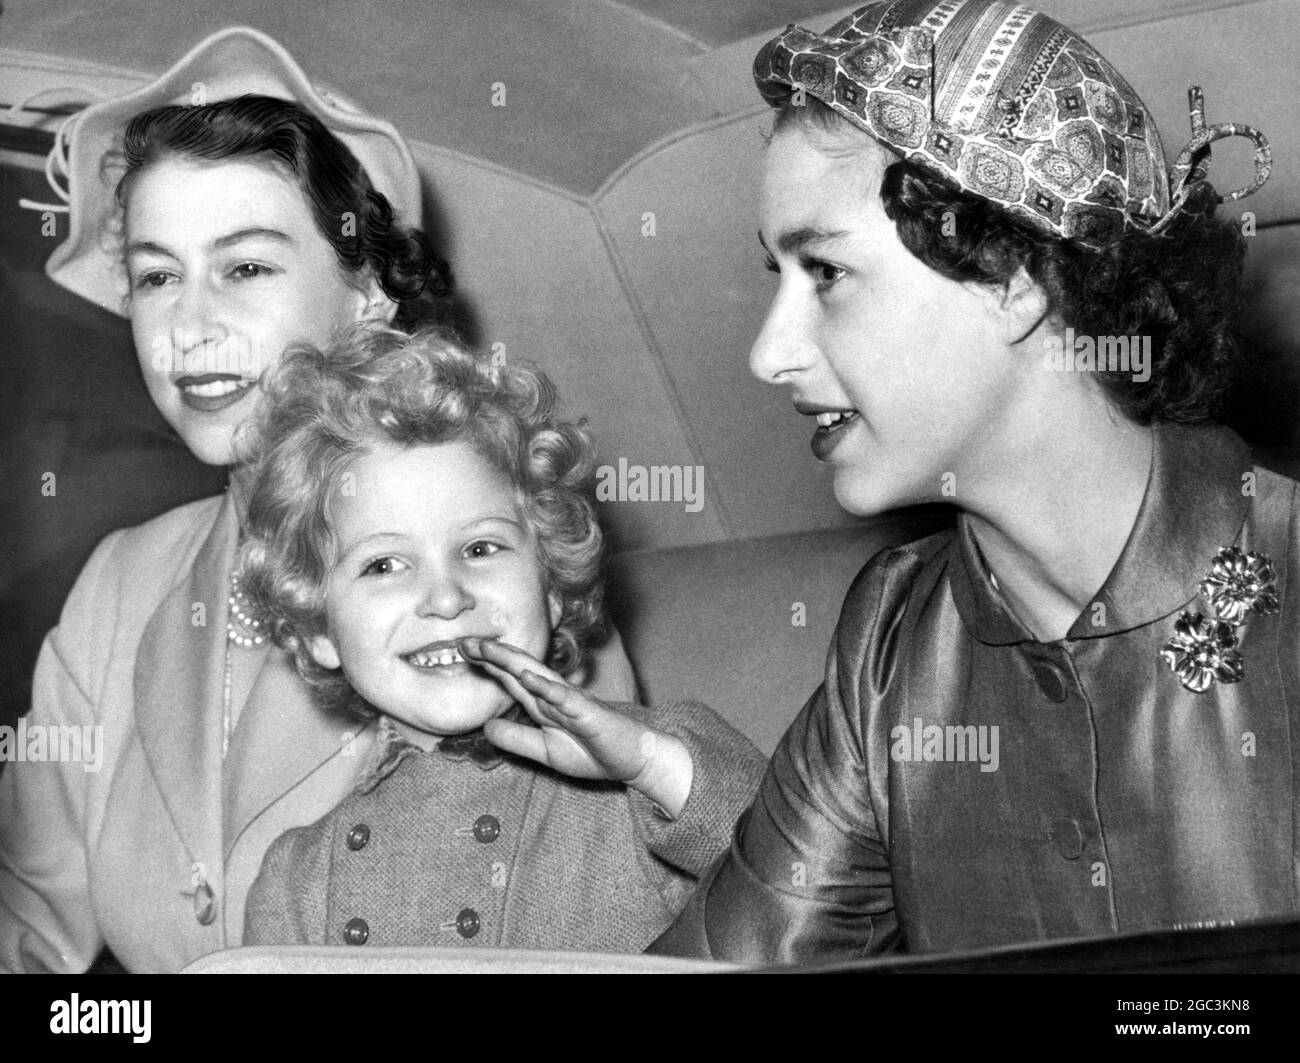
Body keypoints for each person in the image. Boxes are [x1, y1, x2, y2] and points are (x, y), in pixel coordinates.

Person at [651, 0, 1289, 964]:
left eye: (825, 271)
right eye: (777, 275)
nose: (769, 353)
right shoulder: (894, 642)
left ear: (1013, 274)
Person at [0, 27, 637, 973]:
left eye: (246, 267)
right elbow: (27, 938)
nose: (190, 327)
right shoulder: (117, 584)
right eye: (158, 276)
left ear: (366, 294)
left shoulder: (496, 580)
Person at [236, 326, 764, 950]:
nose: (446, 597)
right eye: (384, 565)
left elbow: (819, 880)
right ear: (319, 628)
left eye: (480, 549)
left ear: (549, 585)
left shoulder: (649, 778)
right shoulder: (295, 882)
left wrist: (654, 767)